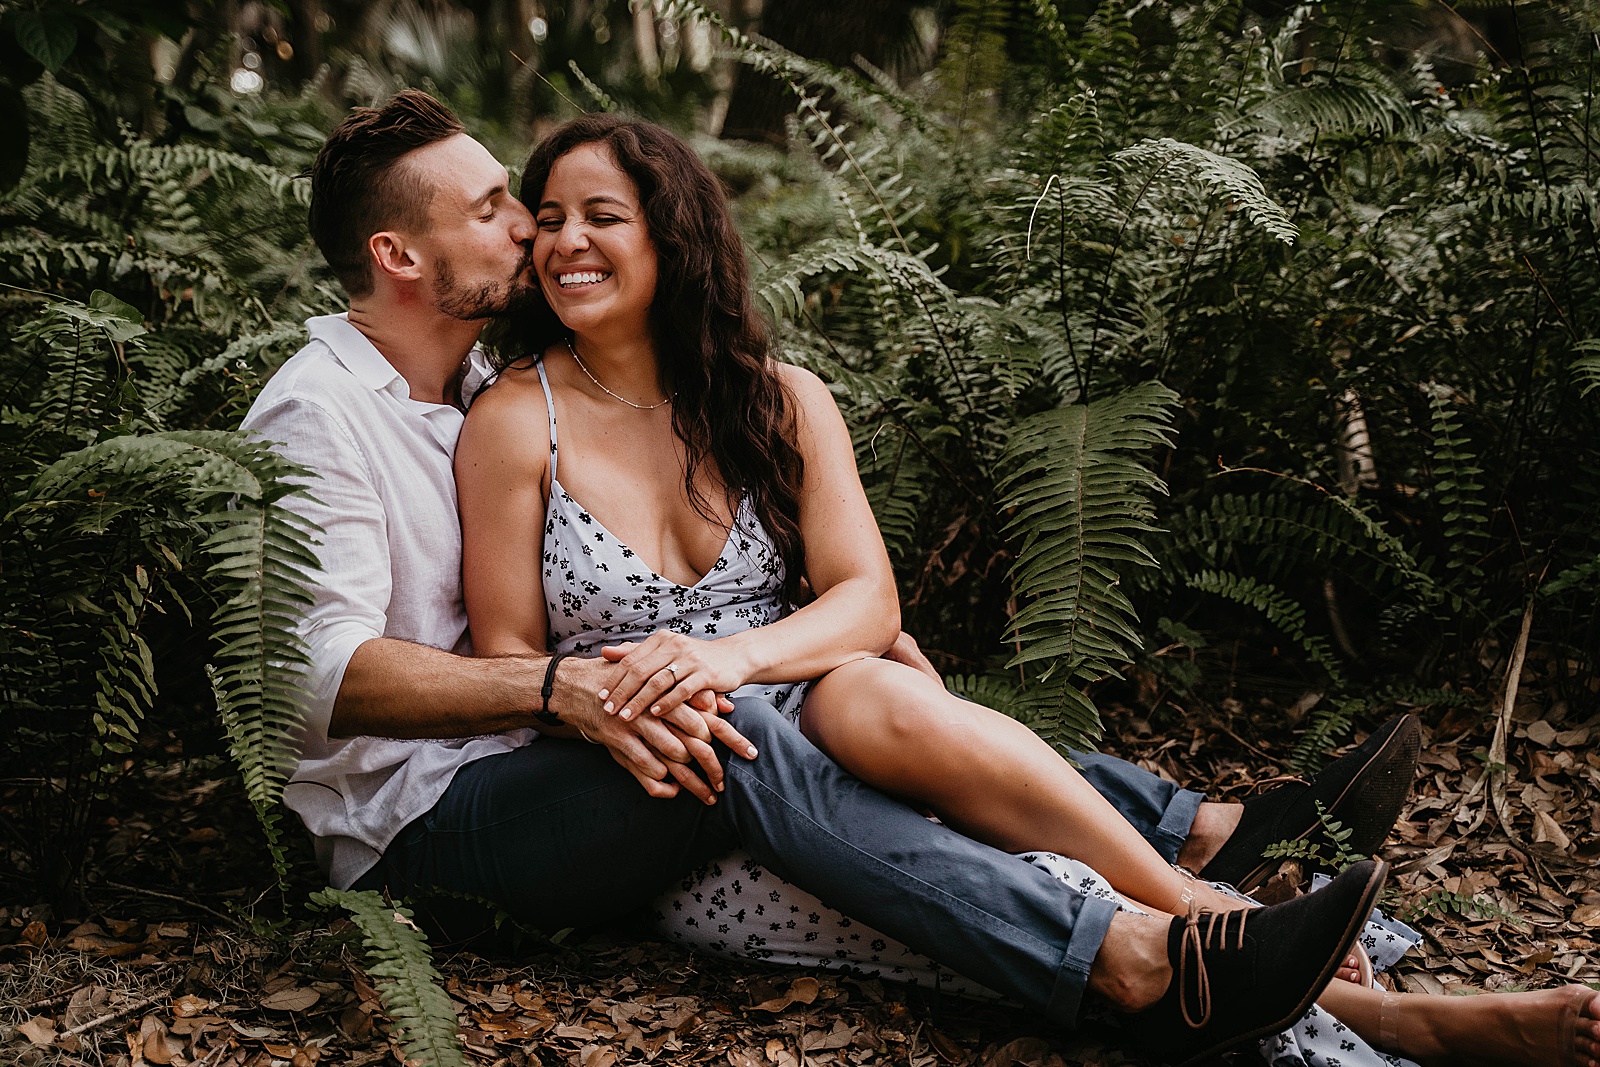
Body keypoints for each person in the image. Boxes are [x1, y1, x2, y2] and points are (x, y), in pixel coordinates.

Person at [232, 91, 1588, 1067]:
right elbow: (311, 683)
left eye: (551, 212)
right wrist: (573, 692)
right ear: (399, 257)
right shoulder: (329, 415)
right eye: (501, 212)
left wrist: (826, 655)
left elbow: (801, 591)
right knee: (752, 720)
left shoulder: (477, 378)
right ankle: (1165, 925)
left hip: (635, 758)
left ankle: (1267, 919)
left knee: (854, 705)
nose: (533, 235)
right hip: (426, 821)